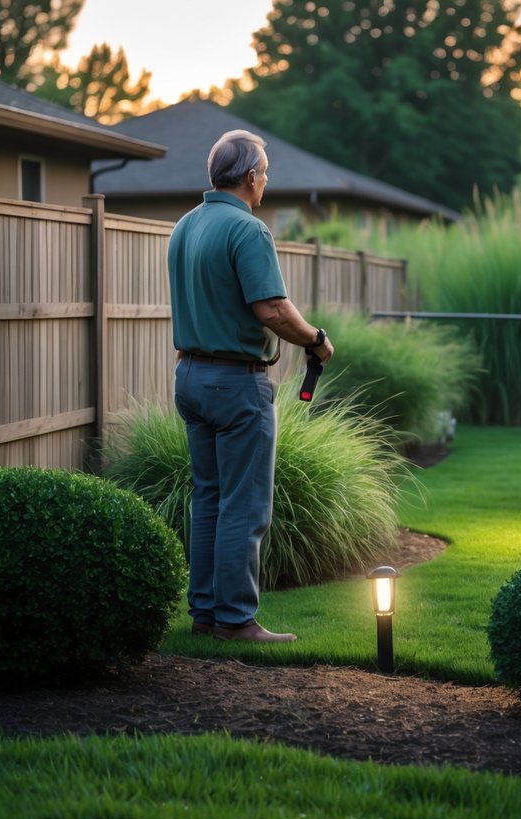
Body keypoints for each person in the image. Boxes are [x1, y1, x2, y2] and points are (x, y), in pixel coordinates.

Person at [168, 129, 334, 643]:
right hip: (236, 385)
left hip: (190, 377)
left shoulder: (185, 226)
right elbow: (273, 309)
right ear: (249, 177)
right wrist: (317, 340)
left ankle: (204, 614)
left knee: (210, 498)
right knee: (245, 502)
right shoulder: (248, 230)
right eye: (264, 173)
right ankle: (237, 620)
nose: (266, 183)